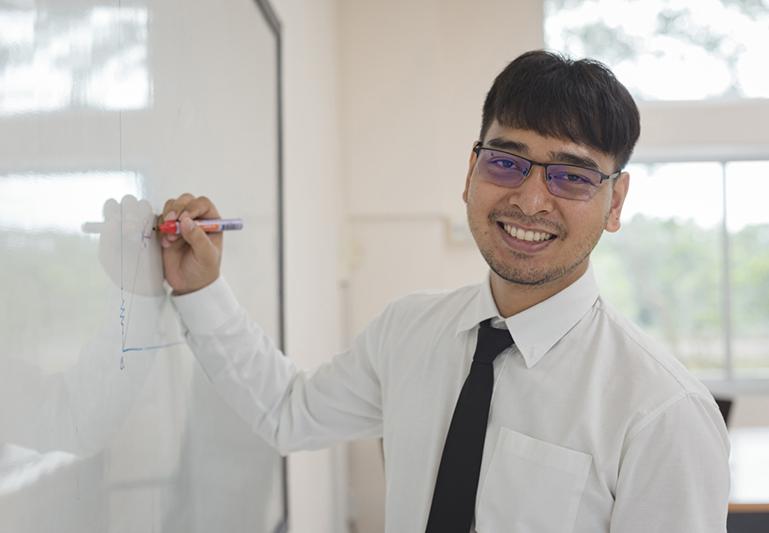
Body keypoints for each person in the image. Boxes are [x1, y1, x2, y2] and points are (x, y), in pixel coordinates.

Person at [159, 50, 730, 532]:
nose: (531, 201)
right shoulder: (408, 332)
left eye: (572, 176)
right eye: (506, 162)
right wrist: (200, 290)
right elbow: (288, 413)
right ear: (470, 174)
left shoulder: (661, 411)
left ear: (617, 202)